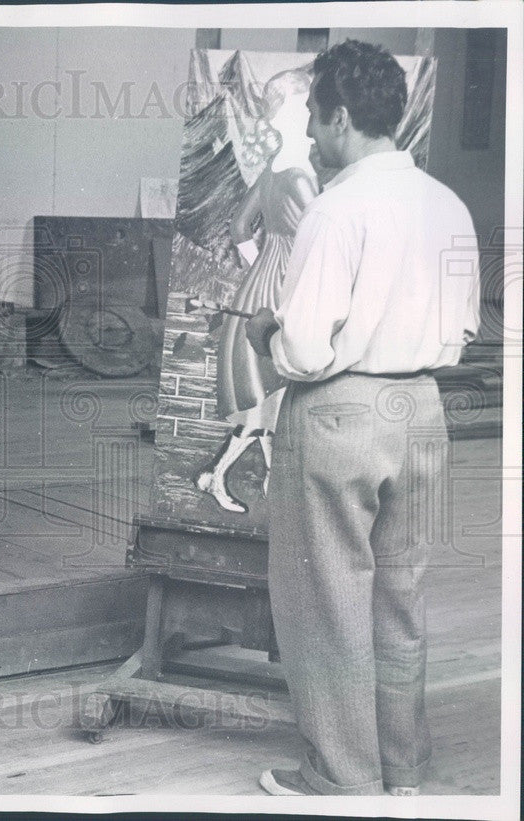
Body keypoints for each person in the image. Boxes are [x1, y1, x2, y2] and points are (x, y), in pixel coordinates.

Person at [245, 41, 480, 795]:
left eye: (314, 119)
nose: (310, 136)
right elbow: (468, 325)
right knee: (400, 594)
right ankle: (403, 766)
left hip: (339, 414)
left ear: (341, 116)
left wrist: (265, 333)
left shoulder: (337, 207)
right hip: (422, 412)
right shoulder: (448, 204)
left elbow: (306, 347)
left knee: (327, 600)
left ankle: (340, 774)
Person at [197, 69, 318, 513]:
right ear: (288, 112)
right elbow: (317, 243)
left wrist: (260, 268)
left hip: (259, 288)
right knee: (272, 395)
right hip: (286, 290)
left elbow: (239, 229)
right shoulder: (301, 176)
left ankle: (238, 478)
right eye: (307, 104)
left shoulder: (274, 169)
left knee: (270, 397)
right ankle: (238, 479)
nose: (313, 114)